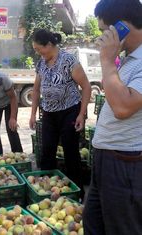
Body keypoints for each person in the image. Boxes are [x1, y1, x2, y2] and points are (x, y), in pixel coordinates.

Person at [83, 0, 142, 234]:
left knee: (122, 228)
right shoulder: (129, 58)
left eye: (103, 31)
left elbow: (123, 107)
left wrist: (107, 60)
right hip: (107, 159)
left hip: (126, 162)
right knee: (94, 224)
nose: (100, 38)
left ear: (123, 26)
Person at [29, 29, 91, 198]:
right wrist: (33, 114)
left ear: (49, 45)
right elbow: (35, 90)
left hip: (70, 111)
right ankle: (46, 190)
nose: (37, 52)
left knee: (71, 151)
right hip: (49, 113)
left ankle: (77, 192)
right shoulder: (41, 63)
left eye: (38, 48)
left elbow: (86, 87)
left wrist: (81, 114)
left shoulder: (69, 60)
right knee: (47, 150)